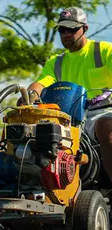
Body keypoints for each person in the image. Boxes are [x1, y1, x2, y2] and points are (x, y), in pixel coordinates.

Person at [26, 6, 112, 185]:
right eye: (62, 29)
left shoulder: (104, 51)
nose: (66, 34)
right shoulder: (56, 62)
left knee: (107, 126)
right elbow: (40, 84)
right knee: (32, 137)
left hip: (102, 113)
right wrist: (30, 94)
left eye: (72, 29)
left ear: (85, 29)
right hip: (68, 121)